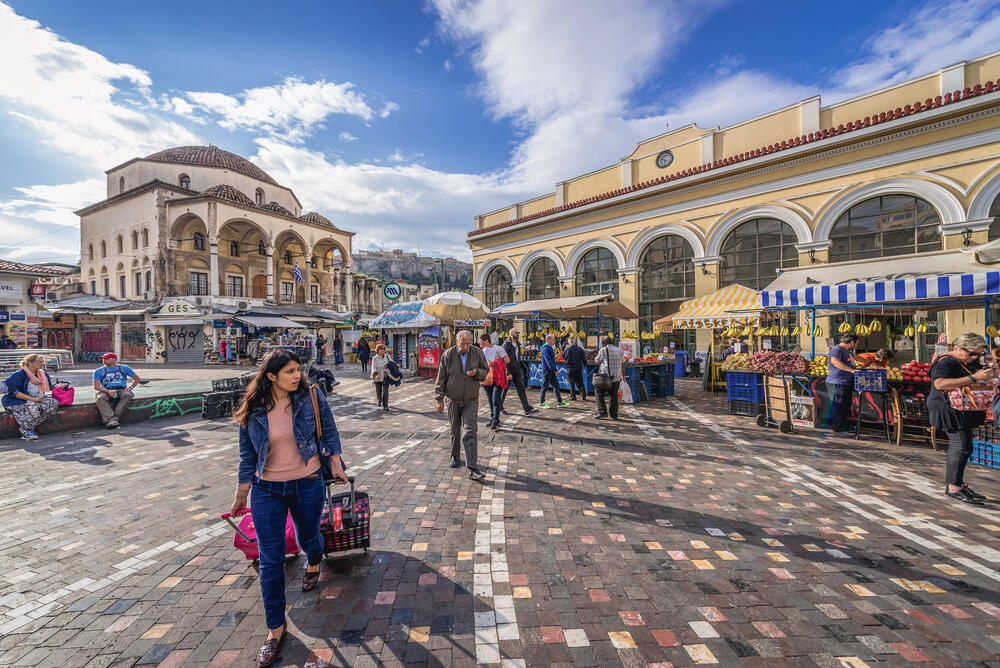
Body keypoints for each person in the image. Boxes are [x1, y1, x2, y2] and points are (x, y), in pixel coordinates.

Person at [230, 349, 348, 666]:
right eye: (290, 372)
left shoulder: (310, 396)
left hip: (307, 482)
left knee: (308, 535)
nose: (297, 375)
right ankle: (275, 628)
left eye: (298, 370)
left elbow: (331, 430)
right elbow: (247, 453)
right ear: (272, 376)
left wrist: (335, 464)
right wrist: (242, 490)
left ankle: (314, 560)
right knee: (271, 558)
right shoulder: (253, 406)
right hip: (267, 489)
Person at [927, 333, 996, 505]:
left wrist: (989, 363)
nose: (974, 357)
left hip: (962, 407)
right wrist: (973, 378)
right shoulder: (946, 361)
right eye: (971, 353)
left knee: (964, 446)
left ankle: (956, 484)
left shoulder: (967, 361)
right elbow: (940, 384)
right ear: (957, 348)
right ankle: (954, 487)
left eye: (977, 354)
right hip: (947, 407)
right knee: (961, 446)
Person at [435, 330, 489, 481]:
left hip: (471, 400)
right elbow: (441, 378)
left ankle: (472, 467)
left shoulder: (477, 353)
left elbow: (485, 371)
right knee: (454, 430)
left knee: (470, 431)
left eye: (468, 343)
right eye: (463, 343)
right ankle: (455, 455)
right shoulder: (448, 355)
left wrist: (477, 372)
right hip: (452, 399)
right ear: (457, 341)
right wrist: (439, 399)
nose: (466, 346)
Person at [2, 354, 60, 441]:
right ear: (30, 363)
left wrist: (56, 386)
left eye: (42, 361)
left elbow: (48, 386)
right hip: (16, 400)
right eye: (39, 361)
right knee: (34, 407)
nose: (42, 363)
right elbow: (15, 393)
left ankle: (29, 425)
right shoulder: (17, 375)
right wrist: (33, 399)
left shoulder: (42, 374)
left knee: (53, 403)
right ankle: (26, 431)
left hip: (37, 398)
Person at [92, 352, 142, 429]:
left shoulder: (124, 368)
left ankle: (113, 419)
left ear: (115, 359)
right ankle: (111, 419)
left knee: (127, 395)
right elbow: (96, 387)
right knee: (100, 398)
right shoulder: (98, 371)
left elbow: (136, 379)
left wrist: (130, 388)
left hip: (121, 389)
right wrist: (108, 391)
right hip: (106, 390)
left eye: (107, 358)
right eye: (103, 359)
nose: (104, 360)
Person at [827, 333, 859, 438]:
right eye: (856, 343)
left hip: (846, 381)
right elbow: (835, 361)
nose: (856, 346)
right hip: (838, 381)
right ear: (852, 342)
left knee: (846, 404)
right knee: (839, 405)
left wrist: (867, 361)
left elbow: (853, 358)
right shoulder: (837, 350)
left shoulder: (847, 352)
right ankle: (838, 428)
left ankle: (843, 426)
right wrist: (851, 370)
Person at [501, 329, 537, 417]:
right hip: (509, 370)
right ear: (511, 334)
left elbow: (517, 357)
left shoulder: (517, 344)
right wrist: (507, 372)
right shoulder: (506, 345)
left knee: (521, 389)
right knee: (504, 389)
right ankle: (499, 407)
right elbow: (504, 359)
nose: (518, 334)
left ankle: (527, 409)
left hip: (517, 370)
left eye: (518, 333)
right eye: (516, 333)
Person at [480, 332, 509, 429]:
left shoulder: (498, 348)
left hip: (498, 378)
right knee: (490, 400)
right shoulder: (483, 350)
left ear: (486, 341)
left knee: (495, 400)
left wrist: (495, 363)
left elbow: (507, 360)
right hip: (487, 378)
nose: (480, 344)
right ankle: (493, 418)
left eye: (481, 342)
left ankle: (496, 420)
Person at [594, 336, 624, 420]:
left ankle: (602, 412)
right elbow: (623, 362)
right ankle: (614, 415)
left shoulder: (603, 350)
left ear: (604, 343)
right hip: (617, 377)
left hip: (605, 378)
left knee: (599, 392)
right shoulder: (619, 350)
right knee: (613, 396)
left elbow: (596, 361)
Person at [539, 334, 569, 409]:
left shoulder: (549, 348)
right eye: (553, 339)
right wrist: (555, 370)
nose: (555, 341)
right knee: (544, 387)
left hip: (551, 371)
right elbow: (548, 361)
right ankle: (541, 402)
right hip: (547, 371)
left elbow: (551, 361)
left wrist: (553, 369)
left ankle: (560, 402)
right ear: (549, 340)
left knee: (556, 386)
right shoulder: (546, 349)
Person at [563, 337, 588, 401]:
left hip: (570, 368)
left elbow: (564, 357)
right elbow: (584, 360)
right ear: (575, 342)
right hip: (578, 368)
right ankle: (583, 396)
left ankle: (573, 396)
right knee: (580, 382)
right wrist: (584, 364)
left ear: (569, 342)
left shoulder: (567, 349)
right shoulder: (580, 349)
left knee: (571, 383)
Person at [370, 343, 392, 410]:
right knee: (378, 391)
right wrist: (376, 375)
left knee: (385, 391)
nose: (383, 350)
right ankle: (379, 400)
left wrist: (388, 366)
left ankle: (385, 406)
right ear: (378, 350)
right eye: (381, 349)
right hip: (378, 377)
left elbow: (392, 363)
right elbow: (373, 367)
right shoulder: (375, 358)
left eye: (383, 349)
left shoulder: (387, 356)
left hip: (385, 376)